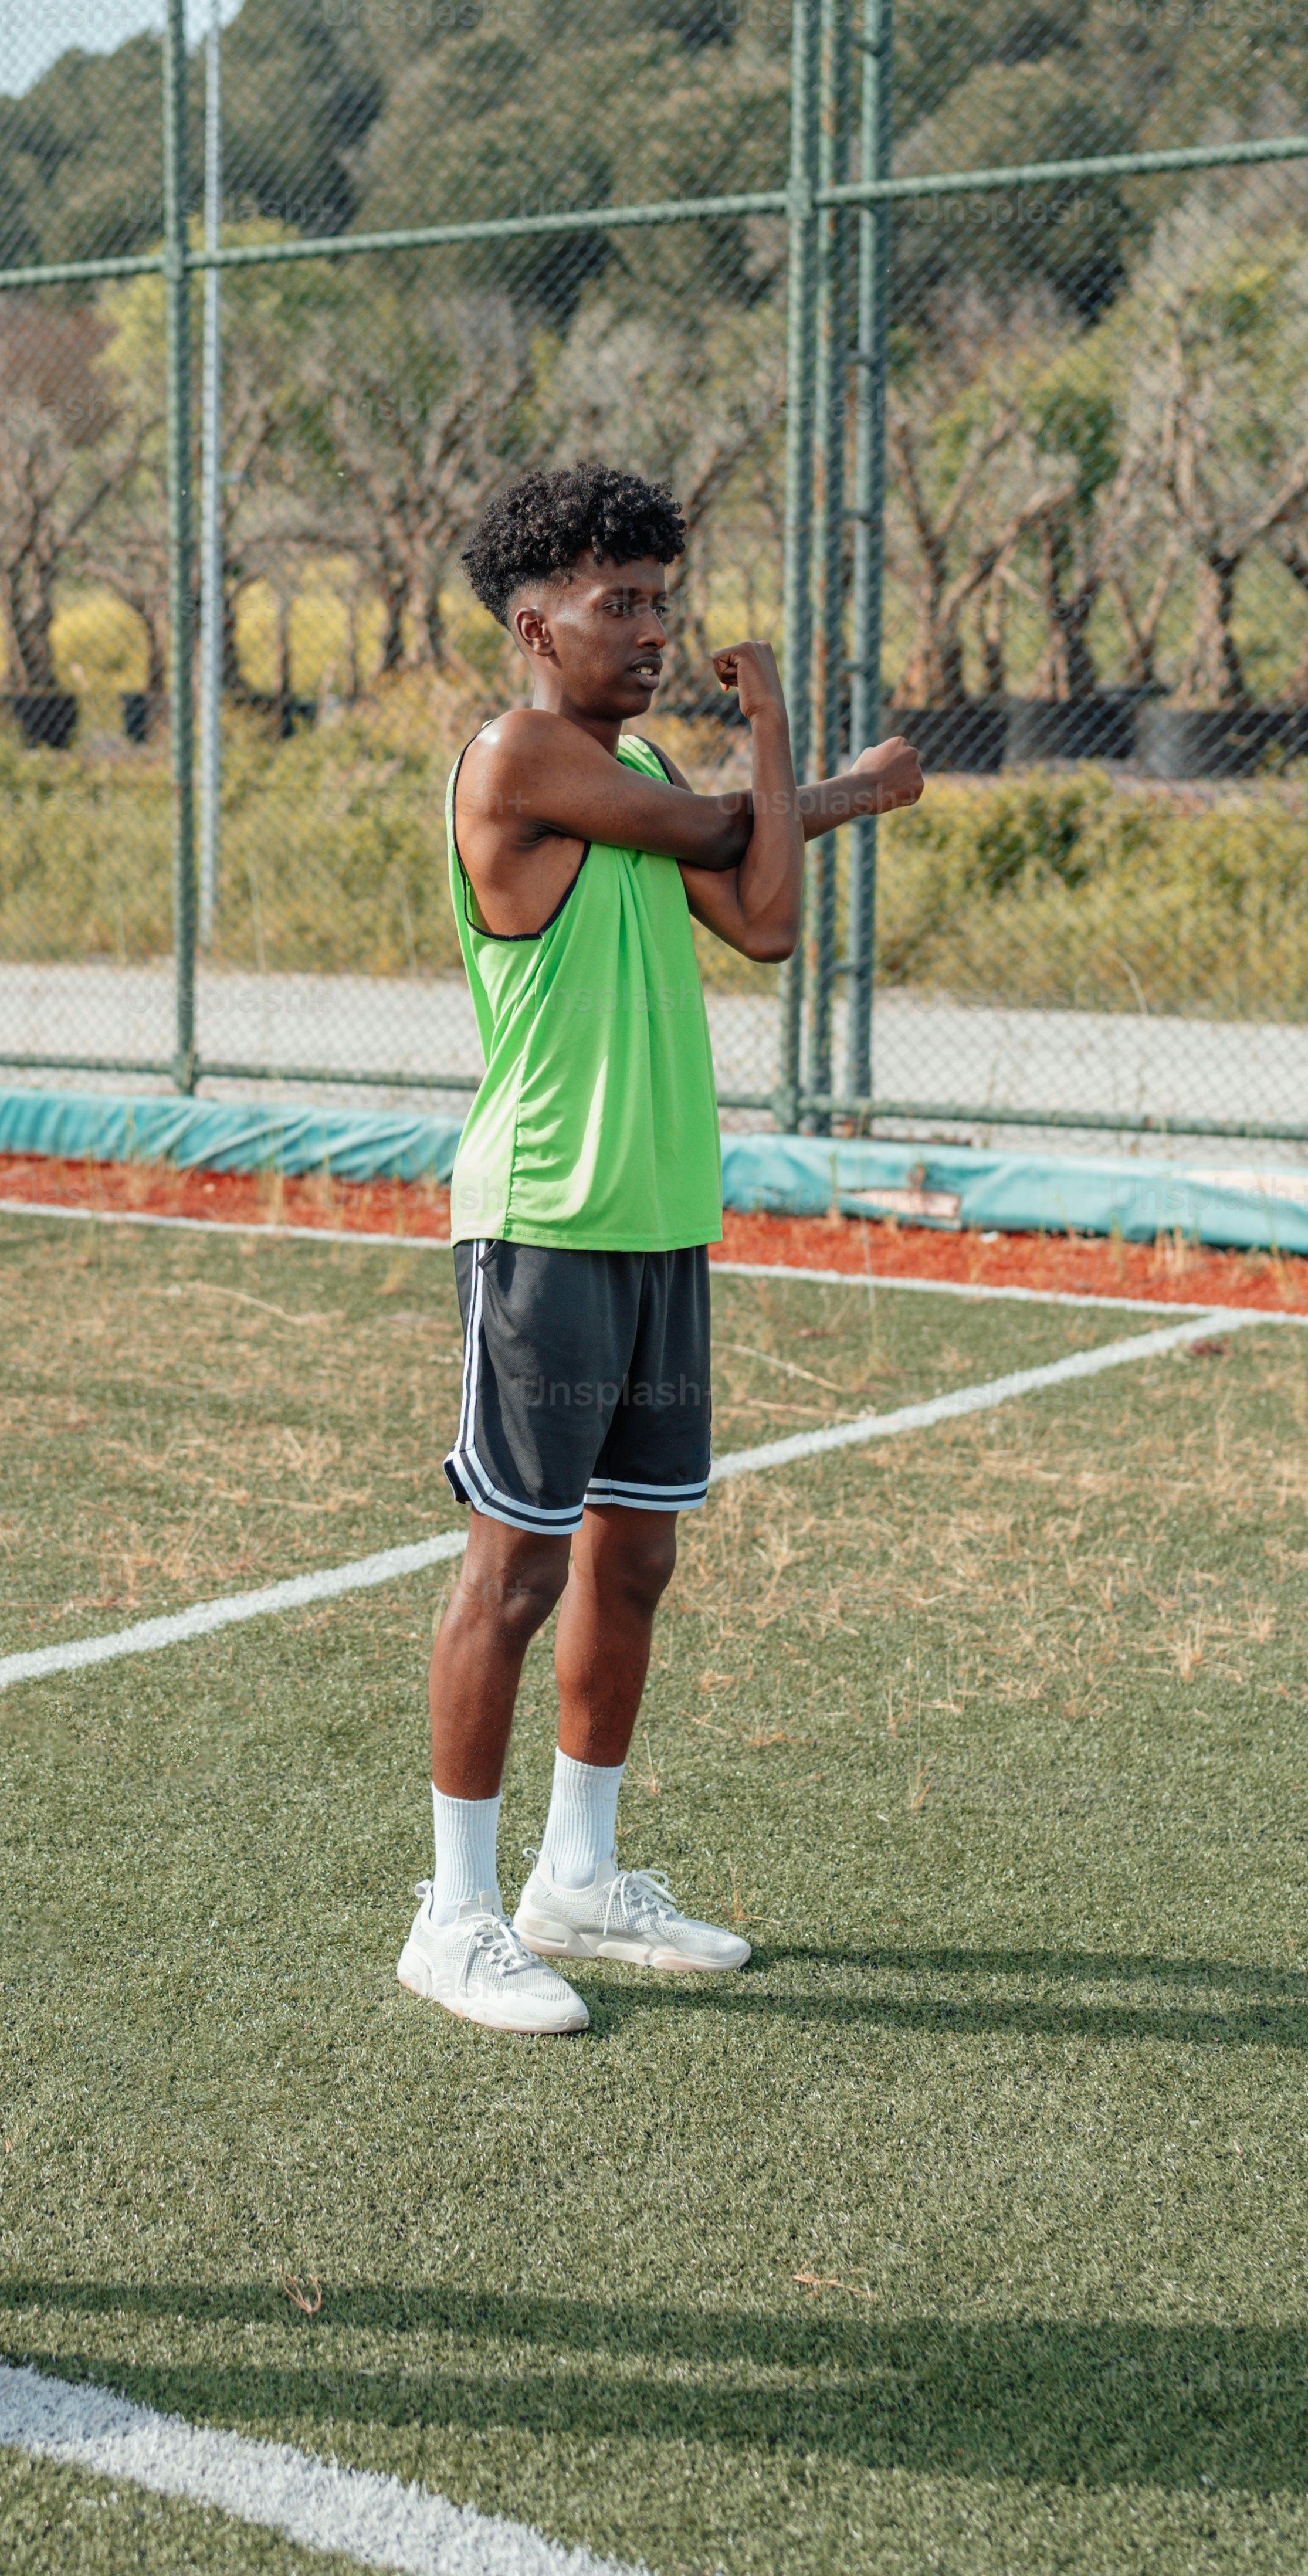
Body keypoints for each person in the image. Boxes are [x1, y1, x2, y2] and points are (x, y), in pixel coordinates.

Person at [401, 463, 924, 2036]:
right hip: (545, 1215)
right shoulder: (521, 758)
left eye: (661, 603)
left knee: (634, 1559)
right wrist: (817, 758)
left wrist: (797, 786)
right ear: (533, 626)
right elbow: (728, 826)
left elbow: (764, 918)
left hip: (659, 1217)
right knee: (514, 1572)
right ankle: (453, 1917)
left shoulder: (630, 770)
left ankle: (578, 1876)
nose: (650, 631)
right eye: (618, 604)